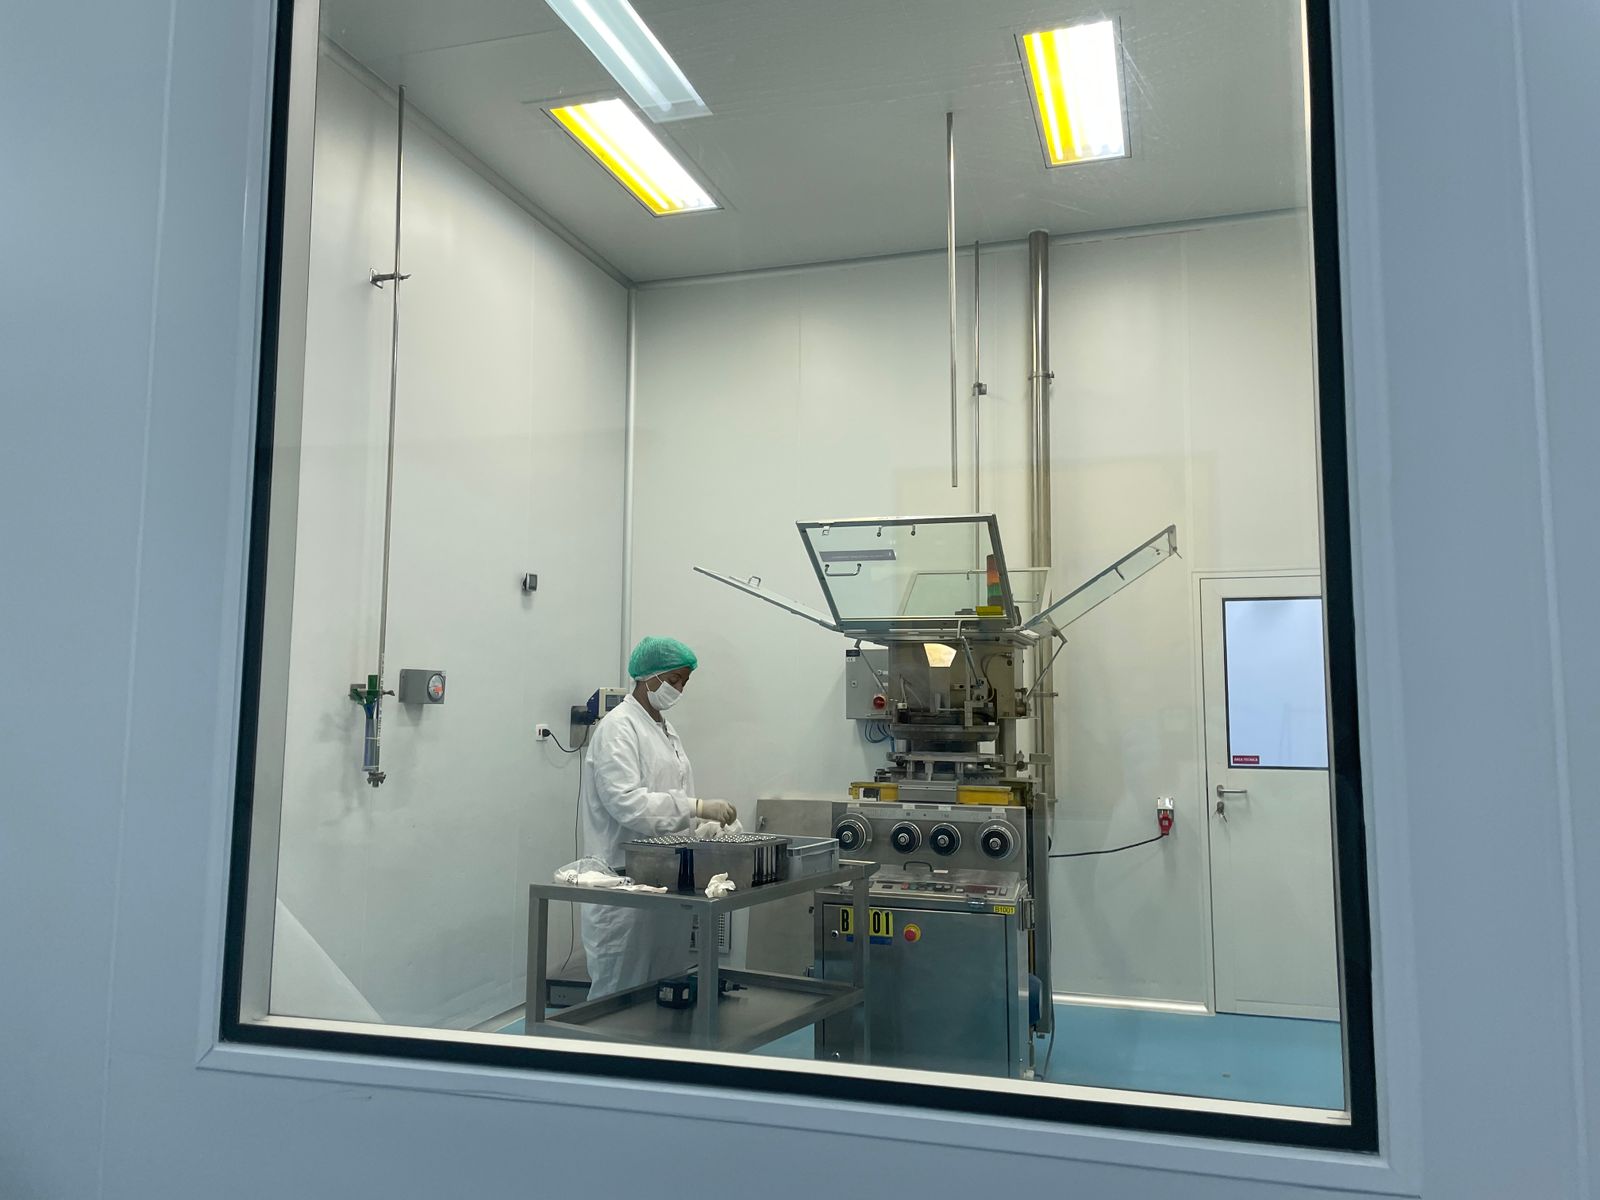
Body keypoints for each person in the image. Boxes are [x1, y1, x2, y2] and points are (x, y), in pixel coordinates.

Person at [578, 635, 738, 999]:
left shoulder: (663, 728)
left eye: (684, 682)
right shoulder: (618, 728)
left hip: (664, 880)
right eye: (674, 679)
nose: (679, 689)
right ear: (648, 676)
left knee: (664, 992)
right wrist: (695, 807)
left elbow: (669, 789)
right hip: (622, 884)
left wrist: (702, 827)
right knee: (619, 998)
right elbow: (628, 804)